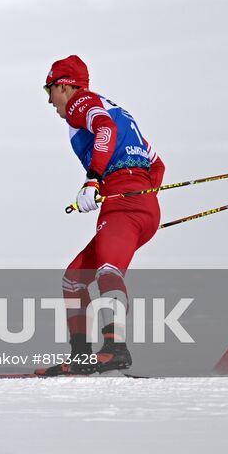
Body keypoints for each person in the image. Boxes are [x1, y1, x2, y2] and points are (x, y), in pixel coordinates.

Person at [37, 55, 165, 376]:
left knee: (107, 271)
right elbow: (157, 163)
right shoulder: (118, 111)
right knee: (74, 278)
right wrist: (145, 199)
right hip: (136, 203)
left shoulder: (83, 103)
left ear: (64, 86)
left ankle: (115, 350)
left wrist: (93, 178)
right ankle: (81, 356)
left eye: (49, 89)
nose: (50, 100)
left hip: (124, 201)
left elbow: (104, 129)